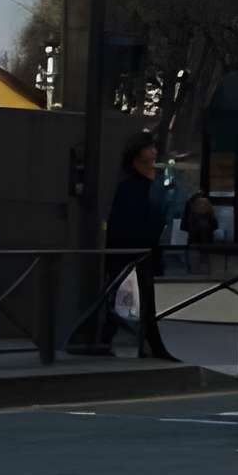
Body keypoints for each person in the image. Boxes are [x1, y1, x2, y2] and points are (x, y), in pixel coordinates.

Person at [102, 134, 173, 362]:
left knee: (145, 299)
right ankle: (110, 338)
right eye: (148, 148)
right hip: (133, 250)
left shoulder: (154, 183)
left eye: (154, 147)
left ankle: (147, 343)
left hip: (147, 249)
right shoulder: (130, 187)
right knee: (131, 297)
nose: (153, 152)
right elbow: (128, 221)